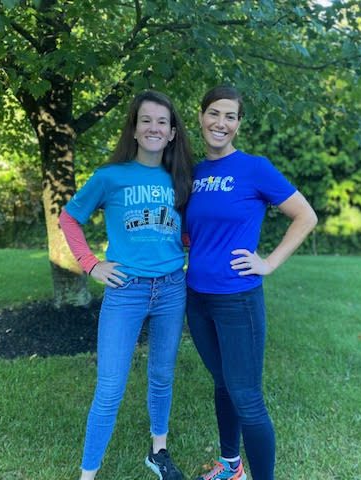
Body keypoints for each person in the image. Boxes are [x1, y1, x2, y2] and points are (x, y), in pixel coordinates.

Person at [185, 85, 318, 480]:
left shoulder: (254, 168)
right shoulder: (193, 173)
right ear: (201, 117)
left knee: (246, 397)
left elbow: (306, 216)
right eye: (214, 113)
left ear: (238, 124)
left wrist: (269, 263)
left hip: (237, 299)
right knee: (222, 384)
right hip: (197, 298)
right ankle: (231, 467)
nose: (220, 122)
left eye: (230, 116)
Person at [59, 90, 193, 480]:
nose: (154, 127)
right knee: (110, 387)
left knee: (162, 375)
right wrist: (90, 264)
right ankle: (88, 474)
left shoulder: (181, 179)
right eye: (146, 120)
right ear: (134, 129)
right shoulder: (110, 176)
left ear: (172, 133)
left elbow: (185, 231)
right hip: (126, 290)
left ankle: (158, 452)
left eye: (162, 122)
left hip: (172, 289)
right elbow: (69, 219)